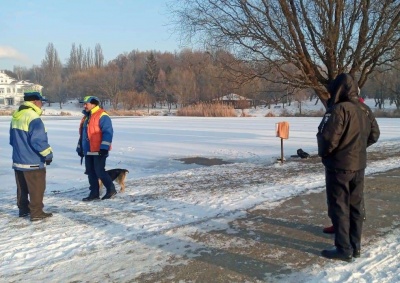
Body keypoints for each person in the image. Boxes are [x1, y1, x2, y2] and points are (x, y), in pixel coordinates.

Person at [317, 73, 380, 262]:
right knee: (355, 206)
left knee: (340, 207)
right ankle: (355, 246)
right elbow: (374, 134)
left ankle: (344, 249)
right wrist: (358, 149)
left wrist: (330, 154)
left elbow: (327, 140)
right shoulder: (364, 109)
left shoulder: (338, 110)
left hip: (339, 166)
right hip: (358, 165)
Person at [10, 91, 54, 221]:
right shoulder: (33, 117)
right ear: (35, 102)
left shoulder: (17, 115)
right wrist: (48, 155)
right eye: (41, 101)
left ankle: (23, 210)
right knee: (37, 187)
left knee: (22, 188)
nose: (42, 104)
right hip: (32, 161)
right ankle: (36, 213)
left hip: (18, 160)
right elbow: (38, 140)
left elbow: (12, 140)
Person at [76, 96, 116, 201]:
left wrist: (104, 147)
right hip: (88, 150)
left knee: (99, 171)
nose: (84, 106)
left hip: (99, 150)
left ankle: (111, 189)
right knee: (90, 172)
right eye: (83, 104)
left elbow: (108, 132)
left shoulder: (102, 115)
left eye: (86, 103)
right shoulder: (86, 117)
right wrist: (80, 148)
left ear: (93, 104)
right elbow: (83, 135)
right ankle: (94, 193)